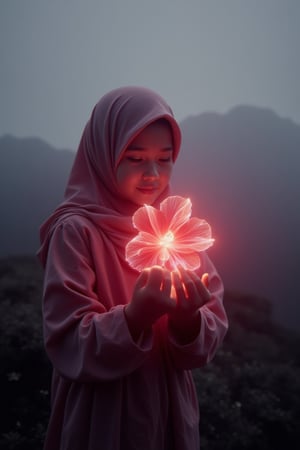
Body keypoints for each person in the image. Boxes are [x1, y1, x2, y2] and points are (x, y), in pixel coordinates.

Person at [37, 86, 228, 450]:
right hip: (101, 416)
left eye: (165, 158)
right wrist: (136, 317)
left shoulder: (178, 232)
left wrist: (189, 322)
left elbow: (208, 335)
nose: (153, 174)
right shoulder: (76, 231)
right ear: (103, 154)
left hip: (168, 412)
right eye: (136, 158)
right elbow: (66, 341)